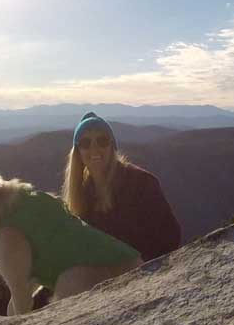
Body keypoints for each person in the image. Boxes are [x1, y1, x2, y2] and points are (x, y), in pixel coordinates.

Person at [61, 111, 181, 263]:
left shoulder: (141, 183)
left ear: (112, 146)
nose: (94, 149)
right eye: (85, 143)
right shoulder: (83, 193)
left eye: (102, 140)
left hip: (142, 272)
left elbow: (171, 236)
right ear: (78, 152)